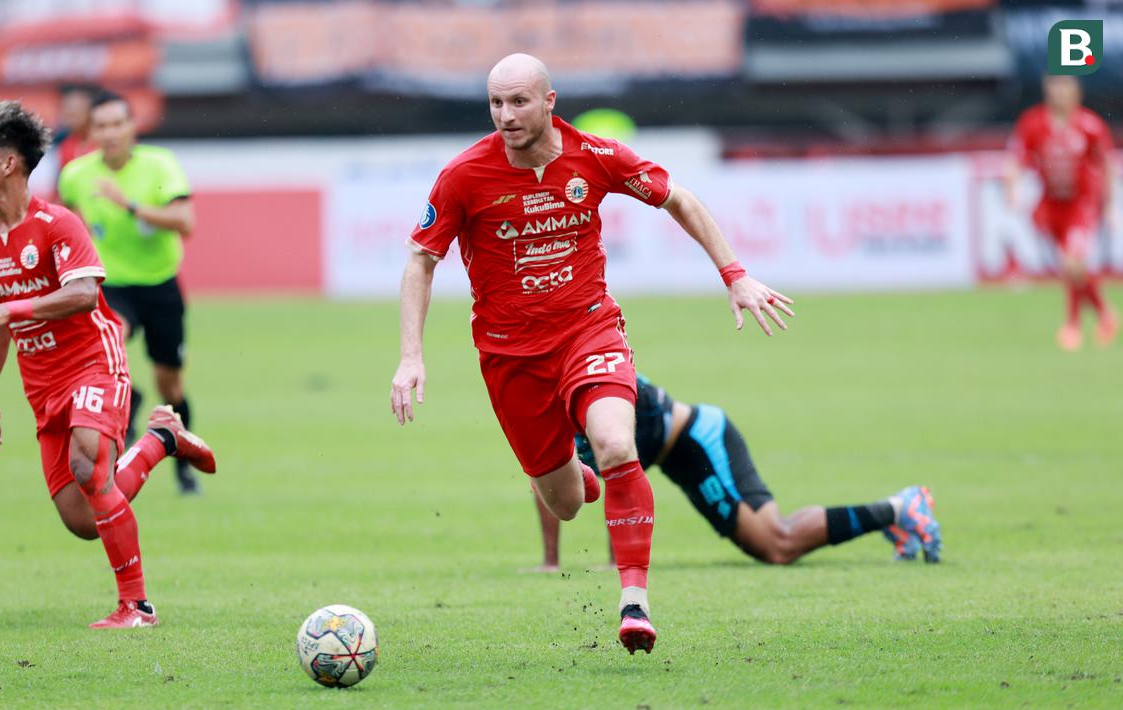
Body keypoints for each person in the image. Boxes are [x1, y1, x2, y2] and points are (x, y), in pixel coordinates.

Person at [389, 54, 793, 655]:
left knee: (615, 443)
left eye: (519, 101)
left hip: (589, 332)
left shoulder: (596, 157)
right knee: (567, 503)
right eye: (496, 103)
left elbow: (678, 198)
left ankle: (634, 601)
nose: (505, 116)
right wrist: (410, 356)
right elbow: (422, 261)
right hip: (510, 359)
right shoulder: (463, 176)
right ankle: (572, 475)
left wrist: (734, 273)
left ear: (550, 101)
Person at [0, 101, 217, 628]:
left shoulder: (58, 224)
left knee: (88, 467)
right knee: (82, 520)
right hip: (42, 386)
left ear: (9, 164)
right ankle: (162, 441)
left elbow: (80, 294)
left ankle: (137, 606)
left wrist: (7, 307)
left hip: (93, 362)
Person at [525, 375, 941, 573]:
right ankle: (898, 516)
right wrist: (551, 563)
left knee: (778, 544)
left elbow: (621, 462)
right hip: (676, 458)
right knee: (775, 545)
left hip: (700, 439)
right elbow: (547, 475)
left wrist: (617, 560)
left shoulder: (605, 376)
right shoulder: (543, 392)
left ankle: (901, 507)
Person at [58, 91, 202, 493]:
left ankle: (183, 466)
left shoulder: (159, 165)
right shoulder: (76, 175)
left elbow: (185, 222)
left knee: (170, 385)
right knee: (110, 342)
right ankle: (128, 398)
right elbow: (69, 222)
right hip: (111, 287)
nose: (109, 133)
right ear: (91, 131)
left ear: (131, 127)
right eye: (100, 126)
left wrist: (131, 206)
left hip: (160, 285)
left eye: (116, 124)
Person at [1005, 74, 1117, 351]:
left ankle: (1072, 325)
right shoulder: (1033, 123)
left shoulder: (1090, 125)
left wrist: (1110, 206)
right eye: (1054, 87)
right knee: (1071, 268)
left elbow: (1106, 166)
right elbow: (1015, 161)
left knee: (1071, 262)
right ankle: (1105, 314)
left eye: (1065, 87)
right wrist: (1013, 189)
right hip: (1051, 205)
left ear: (1076, 92)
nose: (1059, 93)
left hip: (1082, 204)